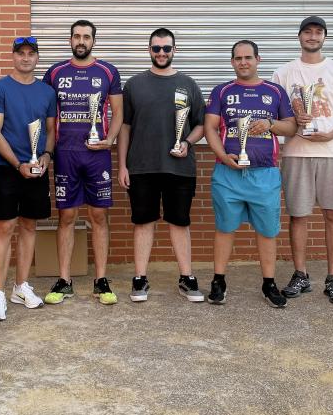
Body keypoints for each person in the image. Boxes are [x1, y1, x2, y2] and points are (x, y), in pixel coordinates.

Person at [271, 16, 333, 304]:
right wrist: (294, 121)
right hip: (297, 153)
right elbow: (275, 117)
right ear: (299, 36)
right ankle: (301, 274)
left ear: (325, 37)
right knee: (298, 215)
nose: (312, 36)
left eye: (318, 32)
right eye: (307, 32)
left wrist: (332, 135)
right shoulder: (283, 73)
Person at [204, 40, 297, 308]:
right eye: (238, 58)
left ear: (258, 59)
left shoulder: (274, 91)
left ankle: (269, 283)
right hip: (228, 173)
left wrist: (270, 123)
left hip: (265, 173)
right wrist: (223, 156)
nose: (243, 62)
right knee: (225, 228)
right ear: (232, 62)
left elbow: (291, 128)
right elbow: (210, 128)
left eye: (248, 57)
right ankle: (218, 281)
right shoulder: (222, 91)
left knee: (267, 231)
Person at [118, 28, 206, 303]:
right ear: (149, 50)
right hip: (141, 166)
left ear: (174, 50)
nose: (161, 53)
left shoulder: (188, 84)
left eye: (166, 48)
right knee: (143, 222)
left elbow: (201, 125)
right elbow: (124, 127)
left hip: (179, 167)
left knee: (179, 222)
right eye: (156, 48)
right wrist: (122, 165)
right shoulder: (134, 85)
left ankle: (186, 277)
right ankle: (140, 278)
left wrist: (187, 142)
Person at [41, 20, 123, 306]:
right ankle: (65, 281)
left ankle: (101, 280)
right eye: (76, 36)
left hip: (97, 154)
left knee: (99, 216)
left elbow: (118, 113)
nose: (81, 41)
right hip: (66, 153)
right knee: (66, 217)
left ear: (93, 41)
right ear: (70, 40)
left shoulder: (108, 71)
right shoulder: (55, 72)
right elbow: (47, 114)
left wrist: (109, 140)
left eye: (86, 37)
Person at [0, 37, 57, 321]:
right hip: (7, 168)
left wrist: (47, 156)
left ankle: (20, 286)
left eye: (31, 53)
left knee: (29, 226)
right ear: (13, 56)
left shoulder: (47, 92)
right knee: (5, 227)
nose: (25, 58)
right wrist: (18, 164)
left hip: (37, 168)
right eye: (21, 53)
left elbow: (51, 130)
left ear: (37, 58)